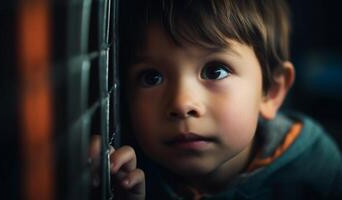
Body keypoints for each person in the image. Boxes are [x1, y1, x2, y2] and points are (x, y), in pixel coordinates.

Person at [90, 0, 342, 199]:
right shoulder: (126, 173)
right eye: (152, 77)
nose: (182, 104)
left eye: (215, 71)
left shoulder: (317, 171)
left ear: (271, 91)